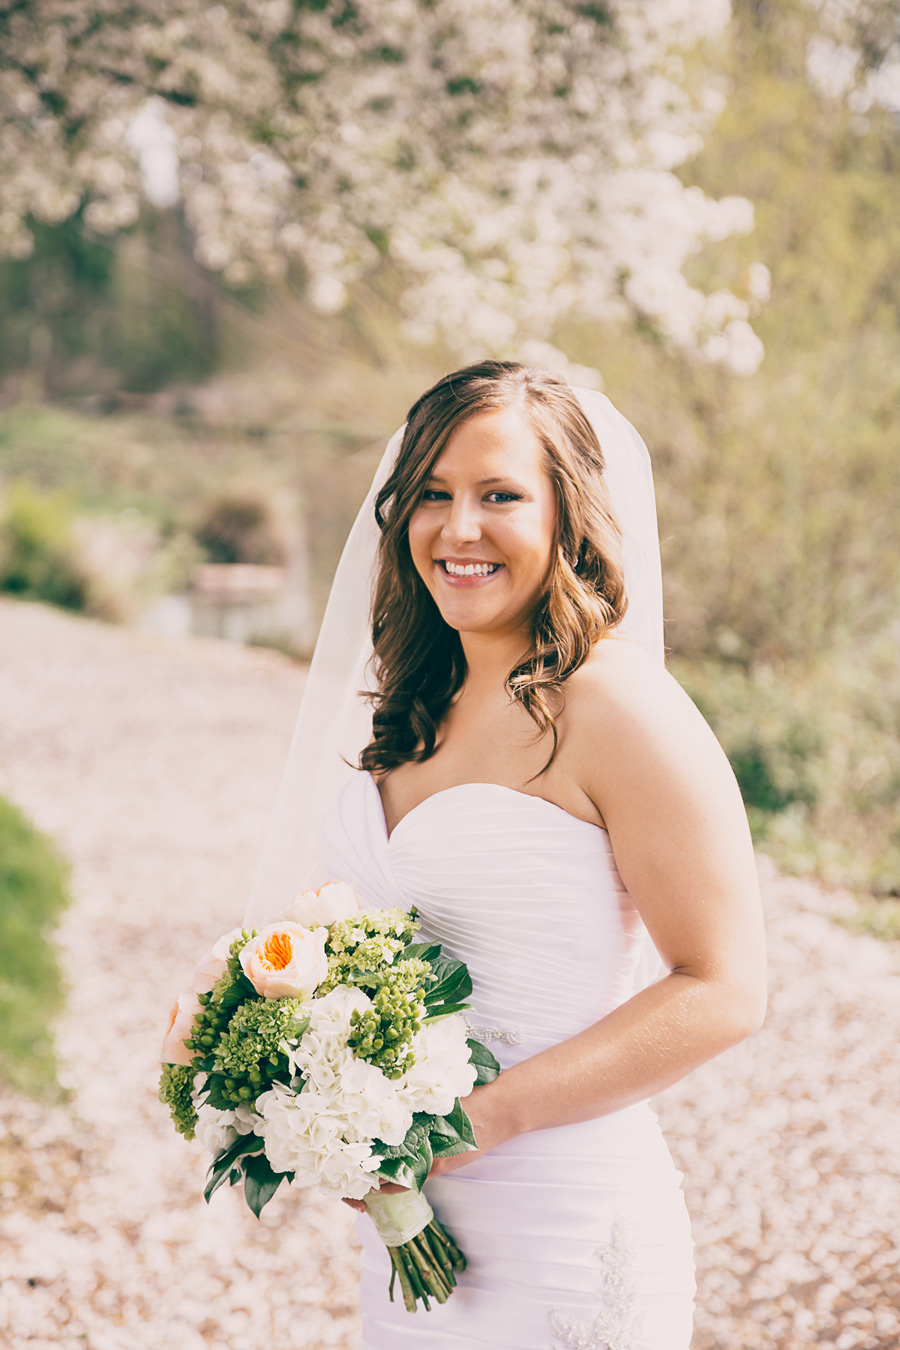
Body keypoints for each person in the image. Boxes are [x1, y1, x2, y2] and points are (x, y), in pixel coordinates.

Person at [245, 360, 767, 1349]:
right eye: (432, 494)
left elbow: (725, 988)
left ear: (569, 514)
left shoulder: (617, 707)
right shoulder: (414, 701)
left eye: (500, 496)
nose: (458, 528)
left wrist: (483, 1121)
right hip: (410, 1239)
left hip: (567, 1227)